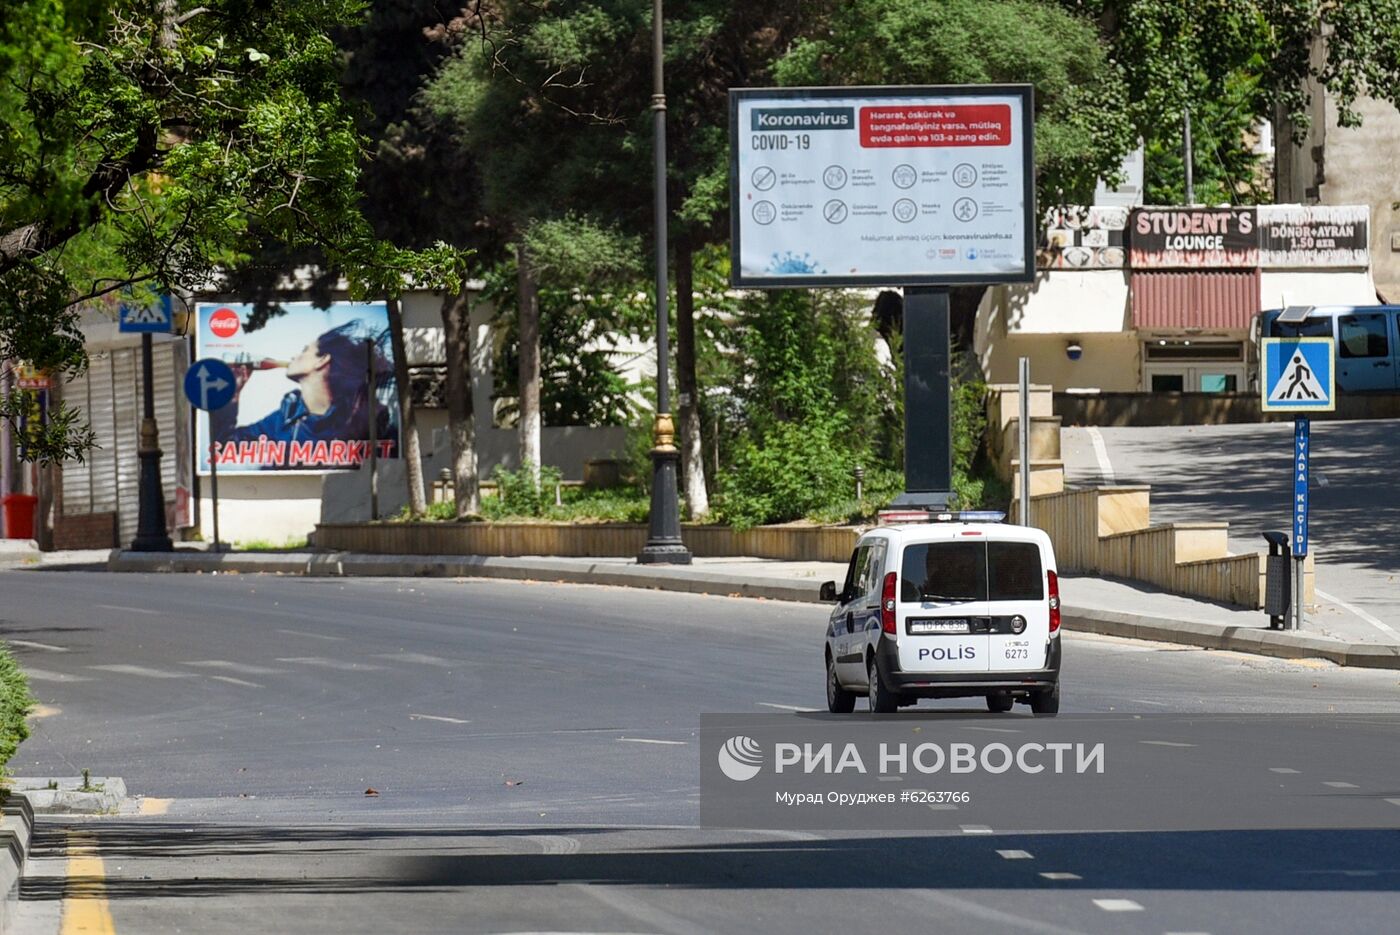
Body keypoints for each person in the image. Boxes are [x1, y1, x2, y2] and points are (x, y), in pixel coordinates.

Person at [210, 321, 398, 464]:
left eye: (304, 350)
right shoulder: (286, 416)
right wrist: (232, 396)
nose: (293, 357)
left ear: (322, 360)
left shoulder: (362, 416)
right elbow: (223, 448)